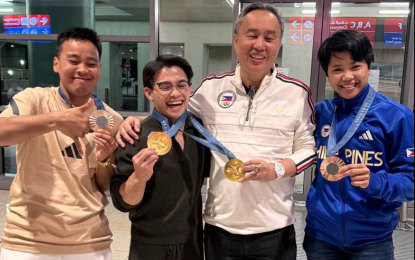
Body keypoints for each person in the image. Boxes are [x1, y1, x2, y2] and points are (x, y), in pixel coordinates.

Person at [117, 3, 317, 259]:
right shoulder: (210, 90)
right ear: (236, 40)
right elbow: (175, 113)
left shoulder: (297, 93)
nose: (260, 45)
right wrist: (136, 120)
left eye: (269, 37)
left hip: (274, 228)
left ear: (279, 44)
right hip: (219, 228)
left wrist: (277, 169)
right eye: (252, 35)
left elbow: (308, 148)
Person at [0, 27, 123, 260]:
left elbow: (102, 184)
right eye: (73, 61)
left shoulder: (110, 119)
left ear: (99, 68)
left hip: (89, 241)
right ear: (57, 64)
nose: (82, 70)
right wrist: (57, 120)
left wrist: (104, 158)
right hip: (27, 241)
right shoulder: (34, 100)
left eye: (91, 63)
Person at [303, 30, 414, 260]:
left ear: (368, 67)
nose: (347, 76)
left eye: (355, 67)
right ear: (327, 74)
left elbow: (411, 180)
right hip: (320, 237)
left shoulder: (396, 116)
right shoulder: (320, 113)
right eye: (337, 69)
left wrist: (376, 181)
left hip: (372, 242)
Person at [110, 54, 210, 260]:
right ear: (148, 92)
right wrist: (138, 177)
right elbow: (123, 202)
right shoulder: (134, 135)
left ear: (190, 89)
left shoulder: (201, 131)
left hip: (192, 242)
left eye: (182, 85)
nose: (175, 93)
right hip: (149, 245)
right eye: (165, 86)